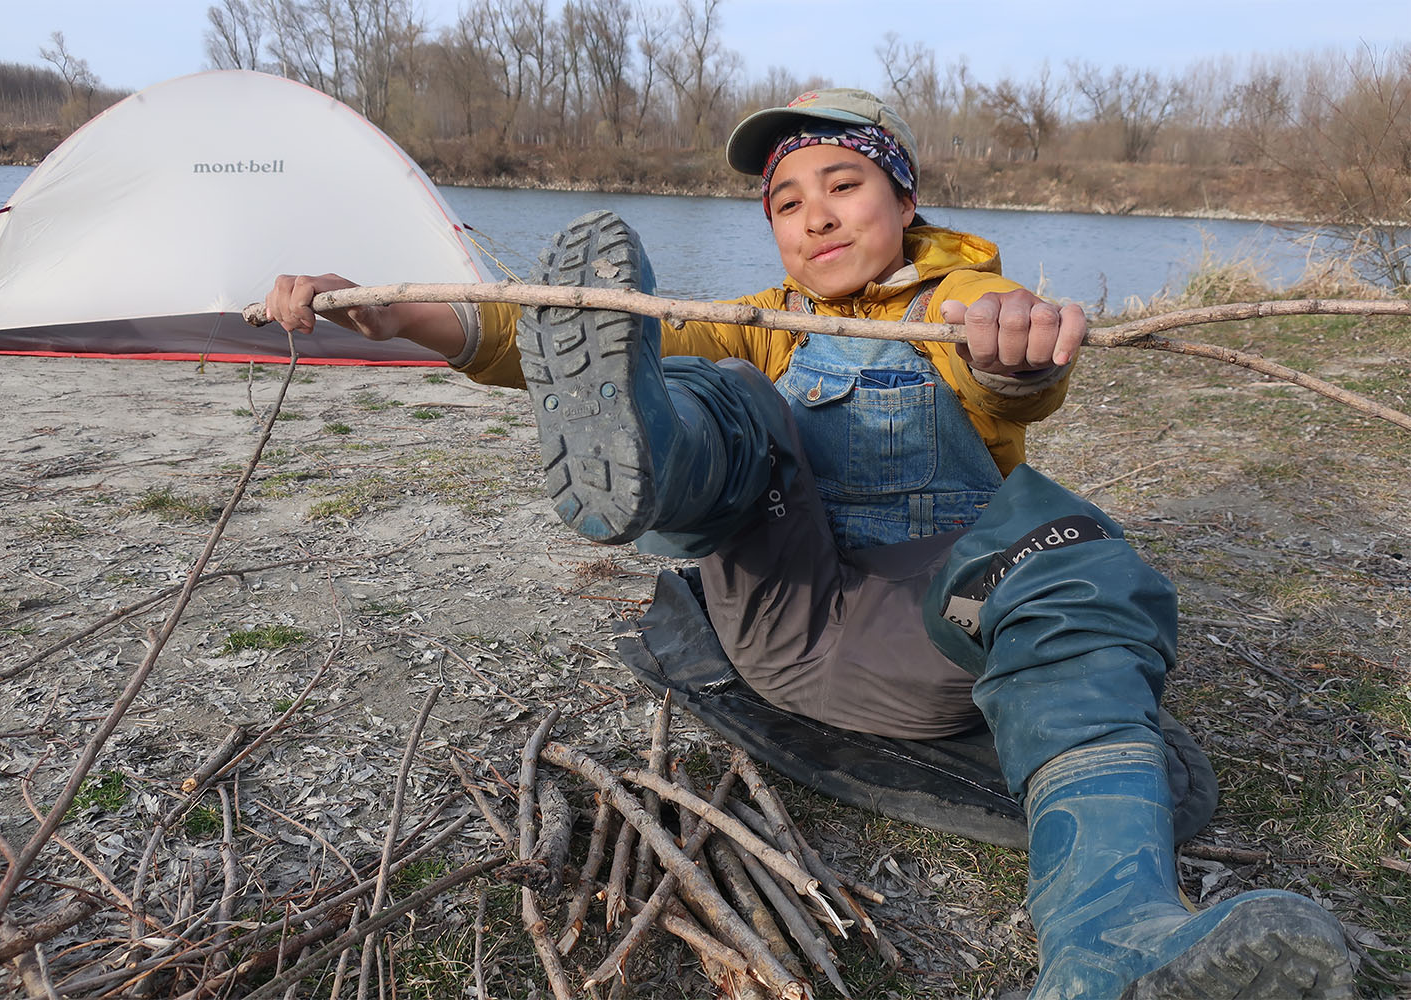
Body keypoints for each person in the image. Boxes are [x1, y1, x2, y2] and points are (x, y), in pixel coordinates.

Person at [267, 88, 1352, 999]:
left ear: (904, 197)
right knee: (722, 385)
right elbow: (532, 330)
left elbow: (1010, 366)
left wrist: (1019, 357)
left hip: (926, 642)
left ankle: (1110, 943)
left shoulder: (967, 297)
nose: (814, 218)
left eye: (844, 186)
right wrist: (405, 314)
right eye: (787, 201)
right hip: (776, 614)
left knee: (1074, 549)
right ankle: (644, 451)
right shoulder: (761, 315)